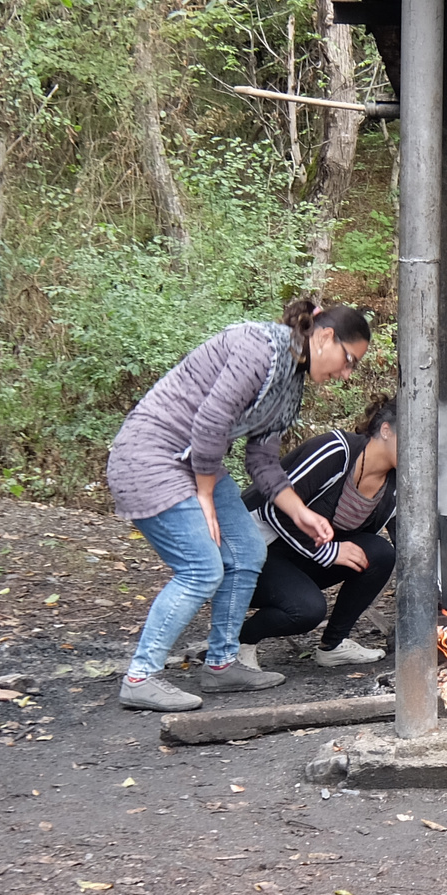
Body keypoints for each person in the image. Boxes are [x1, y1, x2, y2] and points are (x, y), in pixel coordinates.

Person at [106, 300, 371, 712]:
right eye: (348, 359)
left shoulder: (291, 384)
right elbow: (210, 423)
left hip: (192, 463)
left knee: (248, 549)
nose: (346, 373)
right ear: (323, 337)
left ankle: (221, 664)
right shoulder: (259, 350)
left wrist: (300, 511)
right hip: (150, 457)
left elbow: (261, 460)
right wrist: (206, 498)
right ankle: (141, 676)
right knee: (201, 568)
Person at [235, 396, 398, 671]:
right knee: (306, 610)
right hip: (252, 551)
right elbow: (274, 509)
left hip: (301, 553)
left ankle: (333, 646)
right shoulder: (337, 451)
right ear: (385, 430)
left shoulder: (397, 482)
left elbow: (413, 543)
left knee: (380, 554)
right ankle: (237, 643)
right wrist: (329, 552)